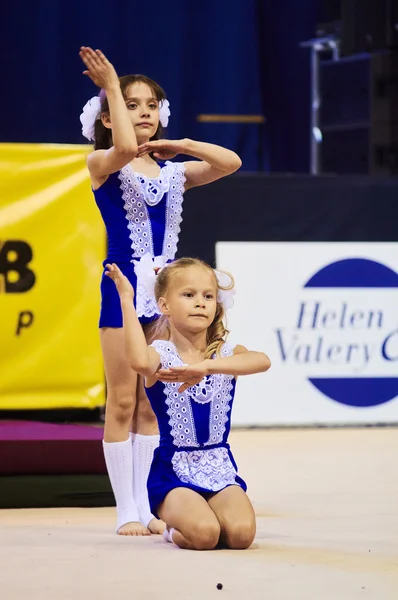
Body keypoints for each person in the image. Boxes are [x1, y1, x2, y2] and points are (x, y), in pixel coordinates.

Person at [78, 46, 242, 536]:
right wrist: (110, 85)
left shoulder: (174, 173)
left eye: (152, 105)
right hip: (124, 292)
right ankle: (125, 507)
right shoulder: (103, 163)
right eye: (132, 105)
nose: (145, 112)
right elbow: (125, 150)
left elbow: (230, 162)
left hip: (166, 294)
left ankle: (150, 504)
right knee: (123, 400)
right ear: (107, 117)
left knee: (153, 401)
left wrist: (185, 143)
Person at [104, 257, 271, 550]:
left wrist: (206, 367)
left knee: (242, 536)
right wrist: (126, 300)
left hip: (219, 466)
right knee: (205, 536)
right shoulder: (161, 353)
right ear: (165, 306)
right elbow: (138, 361)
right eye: (189, 295)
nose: (200, 303)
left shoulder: (226, 353)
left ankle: (205, 511)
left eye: (208, 296)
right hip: (173, 472)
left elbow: (262, 360)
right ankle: (172, 528)